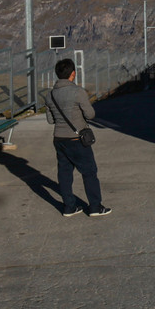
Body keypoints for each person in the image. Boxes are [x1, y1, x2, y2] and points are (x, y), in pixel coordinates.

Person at [45, 58, 110, 218]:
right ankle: (95, 207)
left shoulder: (50, 95)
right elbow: (91, 114)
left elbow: (50, 120)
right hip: (77, 139)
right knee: (89, 172)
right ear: (73, 74)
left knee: (65, 173)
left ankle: (69, 207)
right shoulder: (77, 92)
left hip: (59, 139)